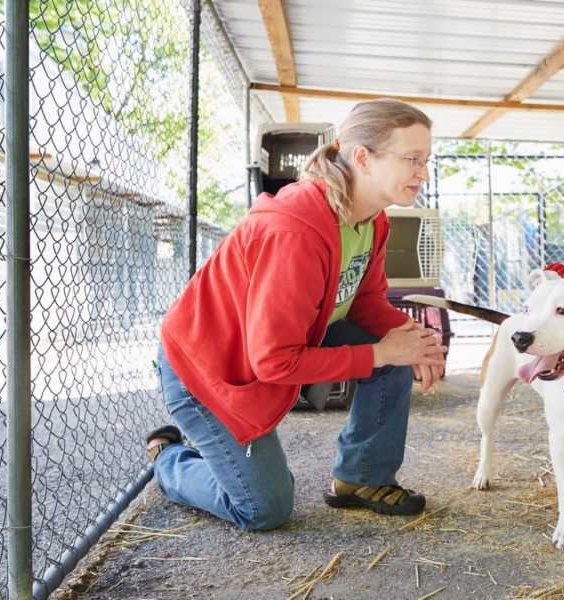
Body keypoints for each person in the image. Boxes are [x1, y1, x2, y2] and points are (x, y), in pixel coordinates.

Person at [143, 99, 447, 530]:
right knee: (262, 509)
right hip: (209, 370)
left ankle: (361, 479)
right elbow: (273, 361)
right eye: (412, 159)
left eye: (426, 160)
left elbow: (364, 302)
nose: (424, 172)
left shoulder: (372, 219)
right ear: (363, 158)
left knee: (396, 349)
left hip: (274, 348)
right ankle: (169, 458)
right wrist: (382, 352)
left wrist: (415, 341)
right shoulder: (296, 229)